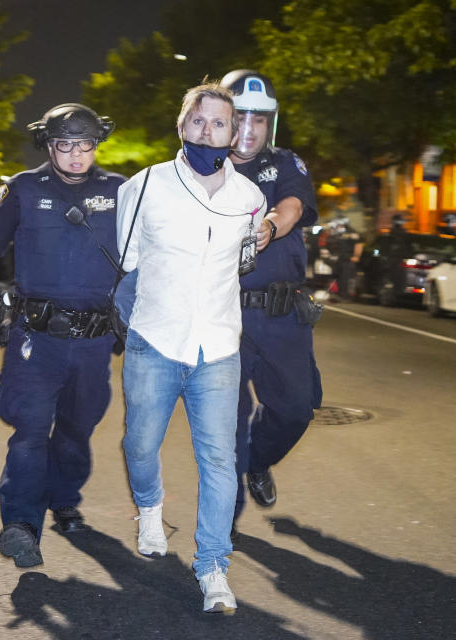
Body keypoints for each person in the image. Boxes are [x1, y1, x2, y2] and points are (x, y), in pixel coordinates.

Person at [0, 103, 125, 568]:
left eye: (84, 145)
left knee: (76, 428)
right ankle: (21, 525)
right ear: (48, 145)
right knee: (30, 429)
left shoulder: (121, 192)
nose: (74, 155)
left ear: (96, 145)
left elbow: (149, 258)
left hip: (94, 340)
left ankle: (64, 499)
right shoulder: (23, 190)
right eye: (64, 144)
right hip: (36, 337)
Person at [117, 82, 266, 614]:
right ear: (182, 126)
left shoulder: (249, 198)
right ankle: (150, 508)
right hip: (154, 341)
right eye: (198, 121)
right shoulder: (145, 185)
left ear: (234, 133)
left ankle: (213, 567)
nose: (208, 131)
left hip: (219, 348)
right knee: (139, 445)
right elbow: (128, 258)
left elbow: (246, 259)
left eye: (219, 123)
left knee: (220, 462)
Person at [221, 69, 323, 538]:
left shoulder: (284, 163)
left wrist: (269, 227)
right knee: (227, 418)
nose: (249, 128)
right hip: (223, 314)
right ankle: (223, 524)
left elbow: (292, 206)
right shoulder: (198, 168)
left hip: (282, 313)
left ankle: (259, 461)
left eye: (259, 120)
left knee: (298, 408)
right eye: (240, 116)